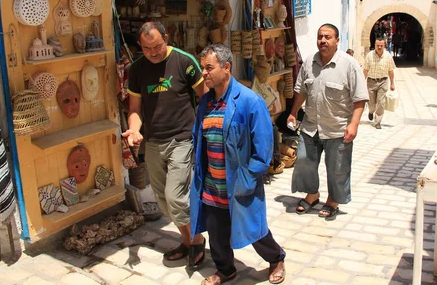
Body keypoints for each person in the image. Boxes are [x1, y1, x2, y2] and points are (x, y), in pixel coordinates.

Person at [191, 44, 286, 285]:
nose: (204, 73)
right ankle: (225, 270)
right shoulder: (205, 103)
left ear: (226, 67)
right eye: (202, 68)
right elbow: (199, 139)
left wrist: (247, 179)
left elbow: (263, 150)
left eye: (209, 67)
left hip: (240, 183)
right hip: (212, 184)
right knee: (216, 232)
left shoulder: (249, 101)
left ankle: (276, 258)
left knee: (254, 229)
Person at [123, 21, 207, 268]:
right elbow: (135, 109)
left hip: (182, 139)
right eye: (147, 48)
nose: (154, 52)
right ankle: (186, 240)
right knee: (162, 200)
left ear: (167, 38)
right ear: (140, 46)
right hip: (153, 143)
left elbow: (204, 96)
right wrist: (134, 130)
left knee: (176, 197)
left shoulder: (184, 62)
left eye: (158, 46)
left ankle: (197, 240)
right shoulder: (137, 69)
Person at [288, 24, 368, 219]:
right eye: (320, 37)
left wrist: (354, 124)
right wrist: (293, 112)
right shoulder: (308, 63)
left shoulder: (349, 65)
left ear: (337, 40)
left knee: (337, 169)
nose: (323, 41)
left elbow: (360, 98)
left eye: (328, 37)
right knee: (305, 161)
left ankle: (333, 200)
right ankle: (312, 194)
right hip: (311, 126)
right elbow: (301, 90)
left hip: (337, 129)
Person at [363, 39, 396, 129]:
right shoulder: (369, 56)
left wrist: (392, 83)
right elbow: (365, 70)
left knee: (381, 103)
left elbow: (391, 70)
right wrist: (362, 82)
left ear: (384, 45)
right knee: (371, 102)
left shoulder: (388, 56)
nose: (379, 47)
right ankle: (371, 111)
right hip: (371, 82)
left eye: (381, 45)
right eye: (378, 45)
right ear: (375, 45)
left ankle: (378, 122)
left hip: (383, 81)